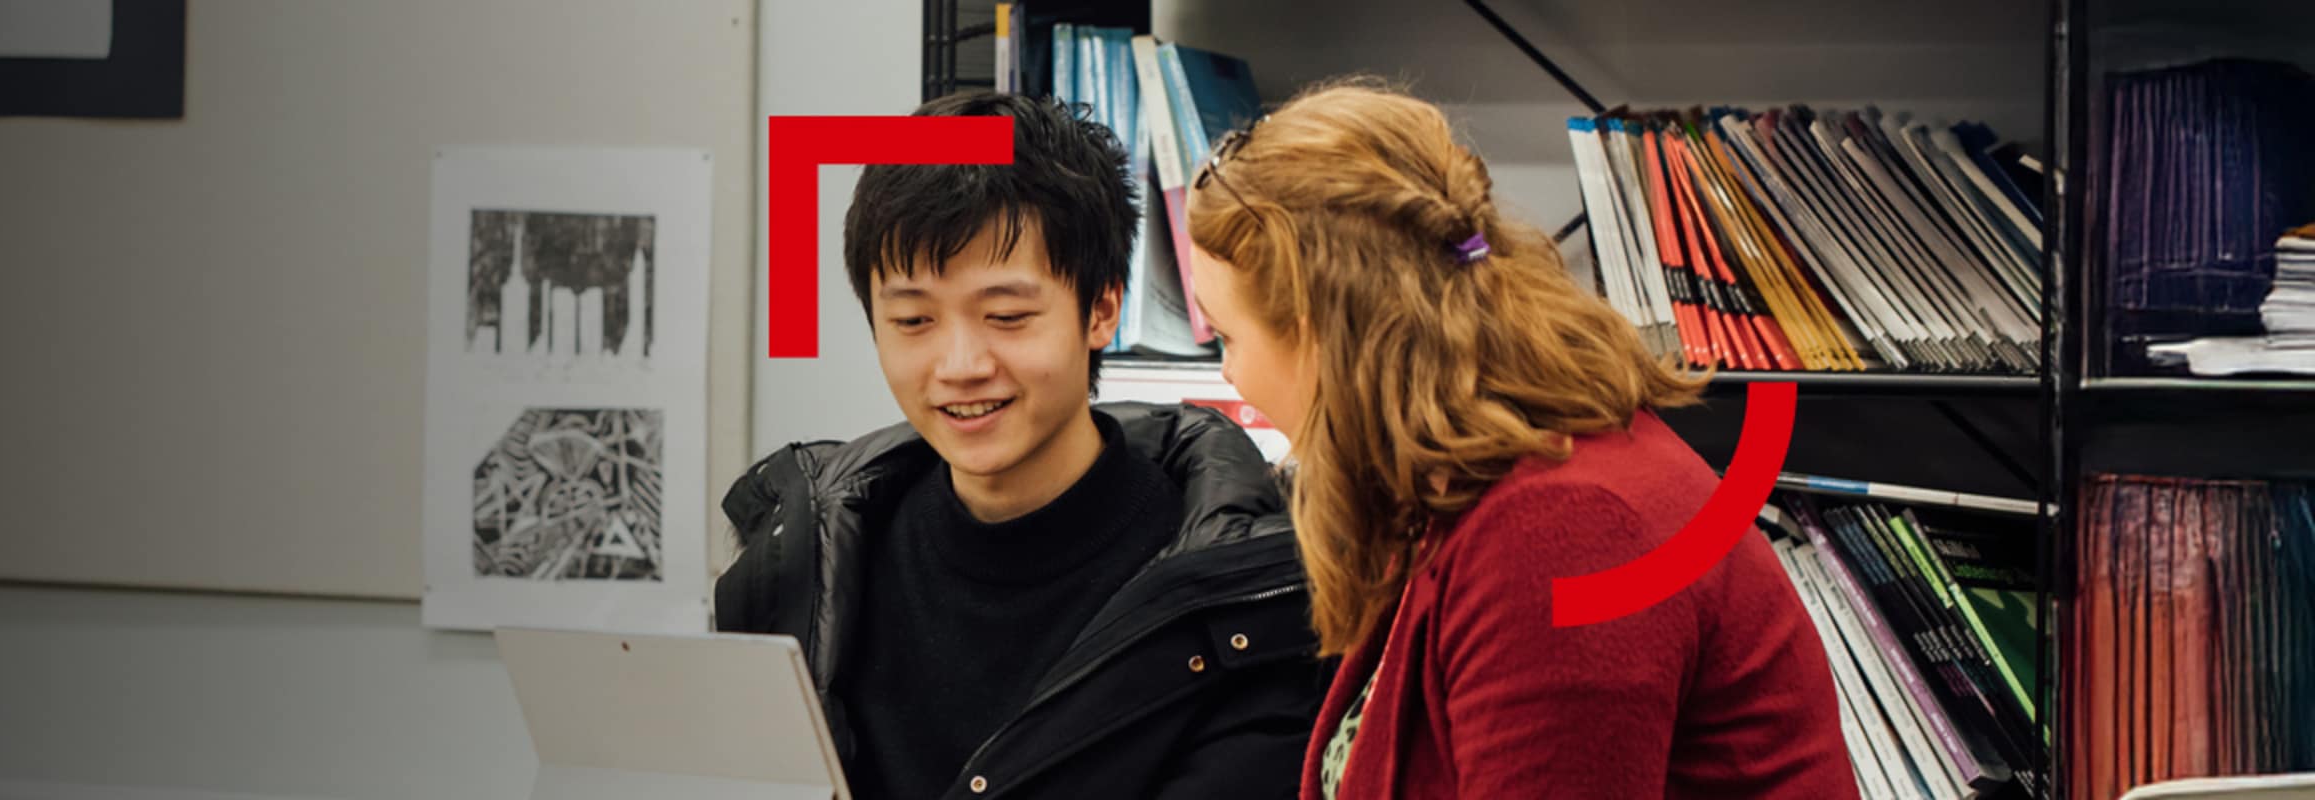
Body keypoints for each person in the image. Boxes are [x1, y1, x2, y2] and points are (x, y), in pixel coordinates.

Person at [1175, 79, 1855, 799]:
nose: (1231, 374)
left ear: (1320, 338)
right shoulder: (1485, 477)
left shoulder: (1562, 530)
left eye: (1228, 336)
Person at [715, 90, 1321, 800]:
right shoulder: (805, 566)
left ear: (1101, 309)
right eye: (913, 320)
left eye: (1006, 315)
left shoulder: (1248, 596)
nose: (959, 364)